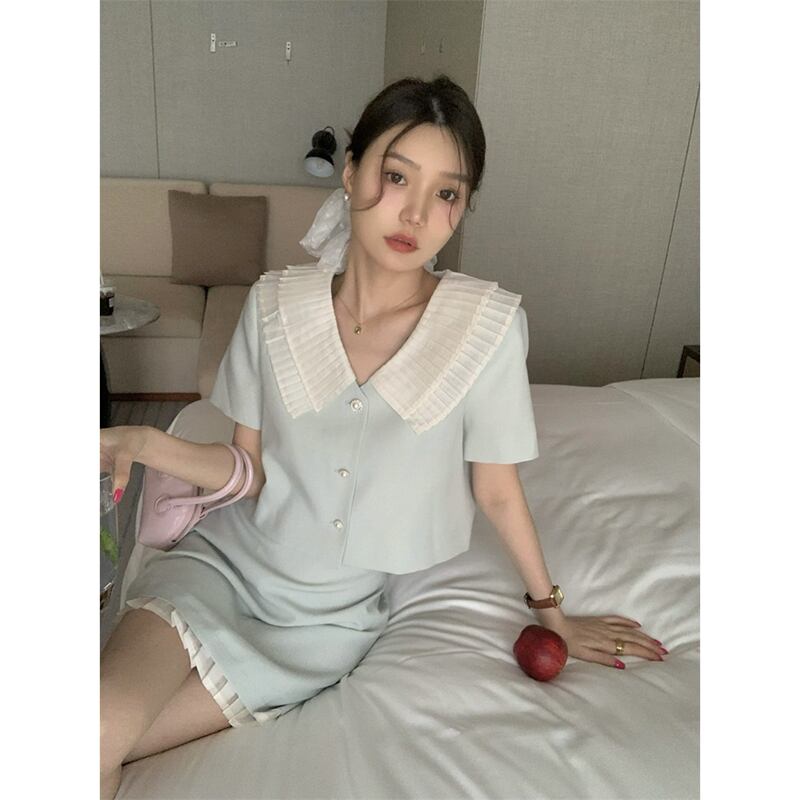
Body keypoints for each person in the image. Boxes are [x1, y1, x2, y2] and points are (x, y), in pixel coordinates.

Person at [99, 75, 665, 799]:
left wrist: (552, 612)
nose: (416, 213)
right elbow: (247, 467)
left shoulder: (486, 330)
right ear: (351, 172)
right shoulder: (274, 304)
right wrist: (141, 441)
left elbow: (496, 489)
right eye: (396, 177)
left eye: (447, 192)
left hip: (324, 626)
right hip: (219, 570)